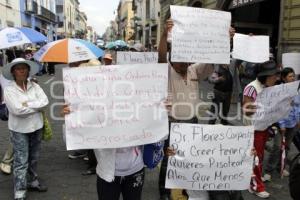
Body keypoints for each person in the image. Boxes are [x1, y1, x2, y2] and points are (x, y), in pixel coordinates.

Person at [158, 15, 214, 200]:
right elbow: (161, 56)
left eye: (186, 61)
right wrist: (165, 33)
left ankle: (184, 184)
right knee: (169, 157)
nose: (184, 65)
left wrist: (224, 42)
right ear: (173, 61)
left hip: (192, 121)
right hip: (172, 123)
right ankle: (164, 190)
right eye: (181, 62)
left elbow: (211, 60)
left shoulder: (194, 70)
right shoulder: (166, 71)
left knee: (188, 156)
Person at [3, 58, 49, 200]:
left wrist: (26, 104)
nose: (22, 71)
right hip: (19, 129)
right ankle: (20, 189)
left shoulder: (34, 86)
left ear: (28, 71)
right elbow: (17, 110)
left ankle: (32, 181)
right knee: (21, 160)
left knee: (34, 158)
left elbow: (45, 102)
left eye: (24, 68)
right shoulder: (9, 89)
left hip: (36, 126)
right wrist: (35, 106)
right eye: (18, 68)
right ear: (13, 72)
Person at [243, 61, 280, 198]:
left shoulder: (267, 87)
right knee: (256, 157)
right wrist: (263, 106)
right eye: (274, 76)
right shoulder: (252, 88)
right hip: (254, 129)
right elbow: (247, 110)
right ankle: (255, 186)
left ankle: (252, 180)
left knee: (259, 157)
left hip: (263, 127)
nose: (276, 79)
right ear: (266, 76)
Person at [264, 67, 299, 181]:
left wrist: (298, 120)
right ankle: (269, 170)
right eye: (290, 76)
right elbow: (277, 109)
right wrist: (282, 124)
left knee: (287, 146)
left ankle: (281, 166)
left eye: (293, 76)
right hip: (280, 125)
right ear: (284, 78)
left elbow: (297, 106)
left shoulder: (296, 90)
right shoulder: (279, 91)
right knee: (277, 147)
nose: (292, 78)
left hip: (292, 124)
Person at [0, 73, 13, 175]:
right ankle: (7, 161)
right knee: (16, 134)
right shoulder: (3, 76)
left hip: (26, 109)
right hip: (9, 107)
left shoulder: (29, 76)